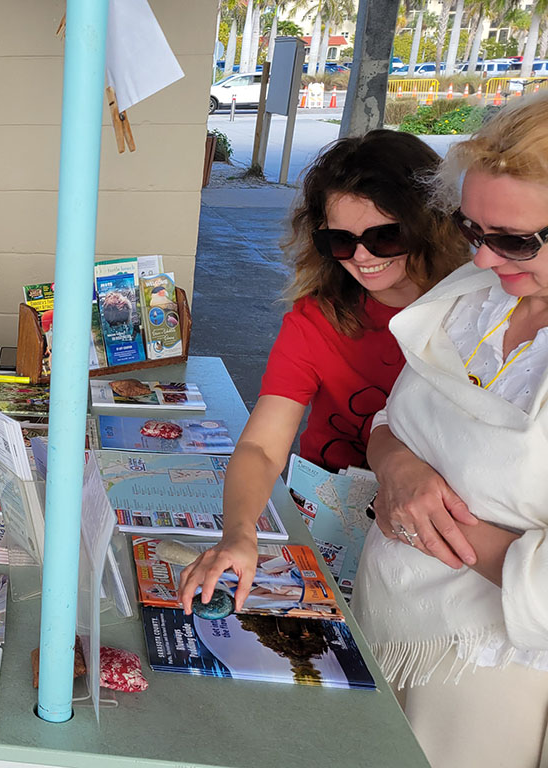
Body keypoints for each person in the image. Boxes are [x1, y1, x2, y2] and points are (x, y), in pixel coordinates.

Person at [177, 130, 469, 612]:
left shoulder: (475, 312)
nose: (361, 256)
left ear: (432, 223)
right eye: (341, 239)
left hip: (442, 547)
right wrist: (238, 533)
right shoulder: (319, 318)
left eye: (385, 235)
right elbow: (260, 446)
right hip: (333, 521)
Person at [354, 94, 548, 768]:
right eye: (472, 230)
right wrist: (396, 467)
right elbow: (393, 419)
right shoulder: (480, 295)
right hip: (387, 614)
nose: (487, 259)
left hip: (486, 677)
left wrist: (439, 527)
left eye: (516, 240)